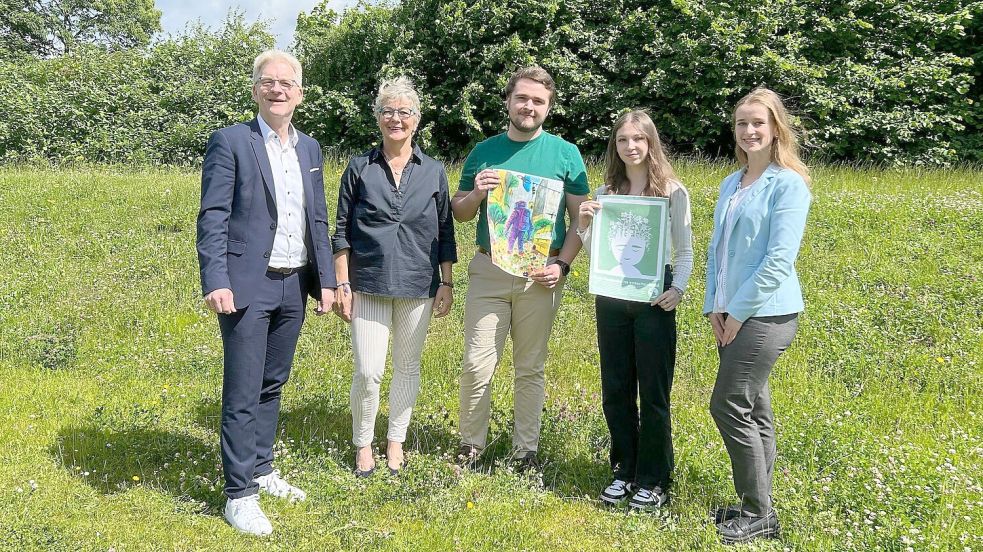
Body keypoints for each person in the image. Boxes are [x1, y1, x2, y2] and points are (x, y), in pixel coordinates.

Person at [196, 50, 336, 536]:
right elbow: (212, 217)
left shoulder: (310, 149)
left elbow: (317, 217)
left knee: (272, 383)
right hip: (245, 284)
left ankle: (261, 467)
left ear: (300, 92)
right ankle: (239, 495)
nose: (278, 90)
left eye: (287, 83)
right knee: (242, 390)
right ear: (255, 89)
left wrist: (327, 283)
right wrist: (216, 278)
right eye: (268, 82)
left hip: (294, 283)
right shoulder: (231, 142)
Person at [451, 65, 590, 469]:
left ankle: (525, 451)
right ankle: (470, 445)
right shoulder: (484, 151)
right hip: (489, 270)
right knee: (477, 363)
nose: (529, 107)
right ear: (508, 101)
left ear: (548, 107)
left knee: (530, 366)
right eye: (522, 98)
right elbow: (459, 212)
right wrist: (476, 193)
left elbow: (582, 221)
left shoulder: (565, 154)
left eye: (538, 101)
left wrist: (562, 266)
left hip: (540, 275)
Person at [332, 76, 457, 477]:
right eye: (388, 111)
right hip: (367, 283)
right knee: (369, 371)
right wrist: (342, 283)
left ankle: (396, 441)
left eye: (404, 112)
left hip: (419, 285)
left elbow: (445, 230)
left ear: (417, 120)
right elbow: (339, 230)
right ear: (378, 117)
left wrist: (447, 283)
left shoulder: (434, 171)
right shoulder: (358, 168)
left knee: (407, 367)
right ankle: (363, 443)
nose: (396, 119)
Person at [704, 87, 811, 544]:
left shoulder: (787, 184)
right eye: (742, 123)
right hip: (730, 312)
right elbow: (718, 252)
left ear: (775, 130)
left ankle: (758, 512)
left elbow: (778, 260)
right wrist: (714, 306)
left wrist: (738, 313)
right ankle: (759, 505)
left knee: (728, 405)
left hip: (766, 315)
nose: (749, 131)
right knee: (755, 407)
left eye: (758, 124)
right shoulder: (732, 182)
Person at [577, 110, 693, 511]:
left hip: (653, 299)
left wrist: (677, 288)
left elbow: (686, 250)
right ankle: (624, 470)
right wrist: (584, 226)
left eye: (638, 139)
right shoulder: (607, 190)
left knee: (654, 394)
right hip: (611, 298)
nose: (631, 147)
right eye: (623, 139)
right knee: (616, 389)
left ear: (650, 143)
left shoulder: (672, 192)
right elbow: (599, 256)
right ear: (616, 145)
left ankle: (655, 478)